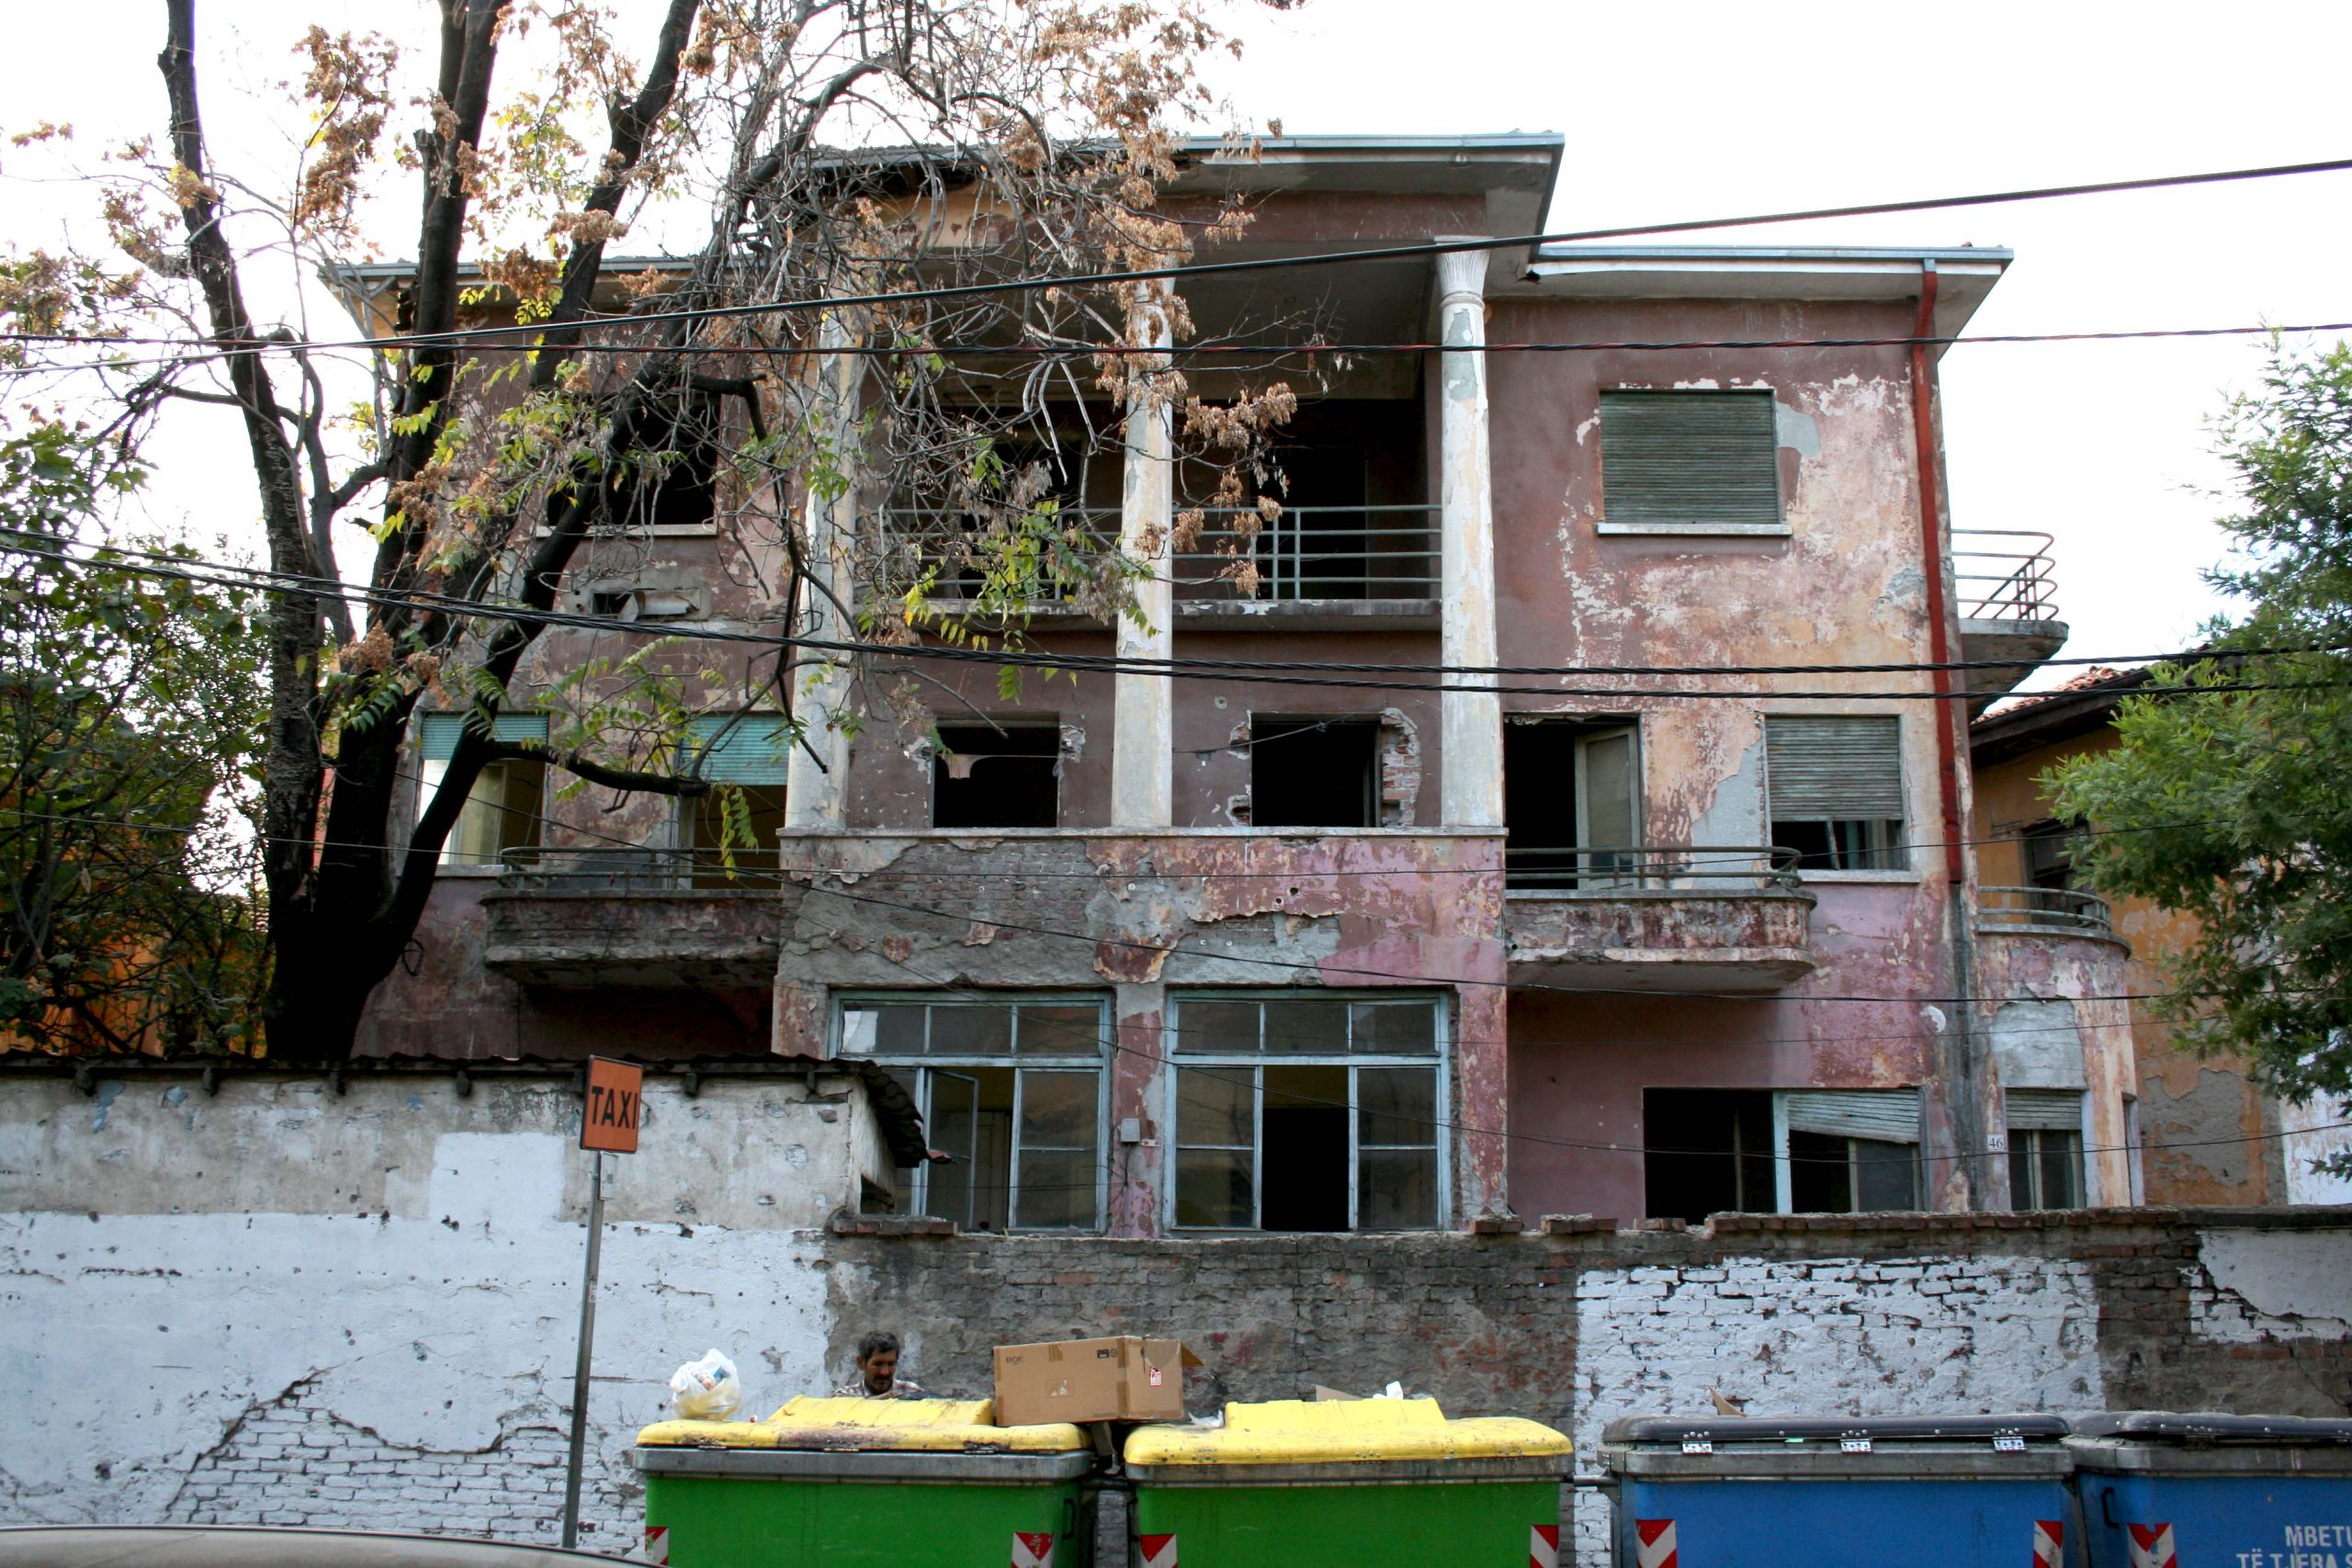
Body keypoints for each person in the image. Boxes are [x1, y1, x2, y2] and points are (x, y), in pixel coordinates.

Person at [835, 1331, 926, 1398]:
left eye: (891, 1364)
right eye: (878, 1364)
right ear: (861, 1363)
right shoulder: (846, 1395)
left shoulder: (911, 1391)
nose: (884, 1372)